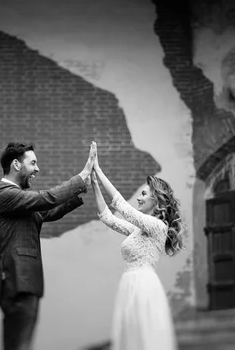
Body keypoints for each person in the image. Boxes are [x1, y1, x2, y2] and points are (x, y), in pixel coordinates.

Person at [0, 142, 95, 350]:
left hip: (23, 281)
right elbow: (46, 199)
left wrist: (81, 189)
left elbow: (47, 212)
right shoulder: (2, 194)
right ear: (16, 165)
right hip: (18, 280)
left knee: (18, 344)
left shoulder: (15, 198)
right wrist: (80, 179)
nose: (37, 168)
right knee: (20, 344)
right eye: (33, 163)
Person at [89, 141, 183, 350]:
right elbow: (108, 218)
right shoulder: (138, 230)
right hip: (130, 285)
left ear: (156, 200)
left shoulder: (158, 226)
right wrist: (95, 184)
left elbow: (123, 208)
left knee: (144, 338)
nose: (139, 198)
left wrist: (99, 169)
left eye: (143, 194)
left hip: (143, 285)